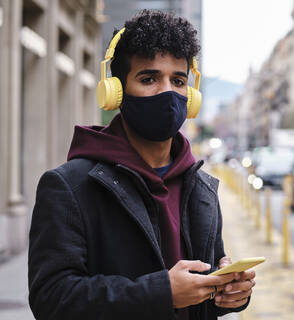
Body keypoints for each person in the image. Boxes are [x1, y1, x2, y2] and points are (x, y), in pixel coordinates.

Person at [28, 10, 255, 320]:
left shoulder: (203, 188)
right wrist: (162, 293)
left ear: (191, 96)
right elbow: (50, 298)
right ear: (116, 91)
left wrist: (229, 292)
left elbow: (204, 287)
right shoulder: (69, 186)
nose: (166, 92)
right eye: (149, 78)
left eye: (178, 80)